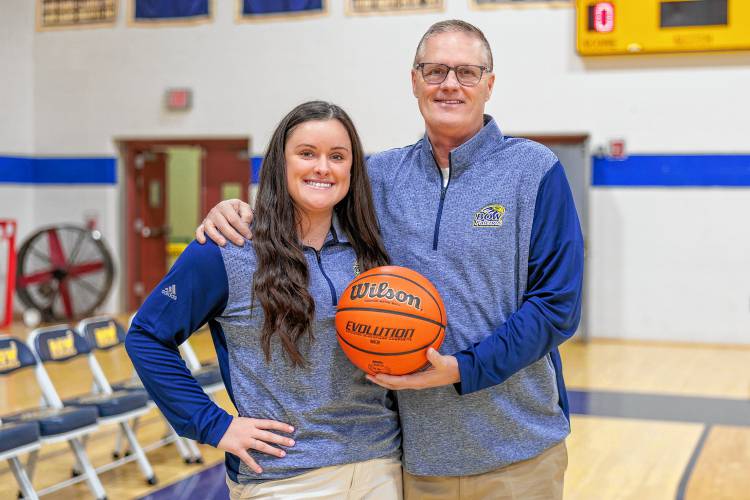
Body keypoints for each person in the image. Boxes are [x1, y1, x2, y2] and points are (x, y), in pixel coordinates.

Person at [198, 20, 583, 500]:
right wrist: (237, 212)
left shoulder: (535, 170)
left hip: (519, 449)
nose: (449, 84)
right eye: (435, 70)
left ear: (489, 83)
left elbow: (557, 307)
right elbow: (306, 209)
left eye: (466, 72)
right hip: (412, 458)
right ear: (414, 80)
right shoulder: (377, 177)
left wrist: (463, 367)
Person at [126, 101, 403, 499]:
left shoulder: (370, 248)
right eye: (307, 153)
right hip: (283, 476)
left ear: (352, 170)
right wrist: (212, 424)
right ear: (280, 162)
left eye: (337, 156)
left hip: (380, 464)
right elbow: (147, 337)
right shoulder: (228, 248)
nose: (322, 167)